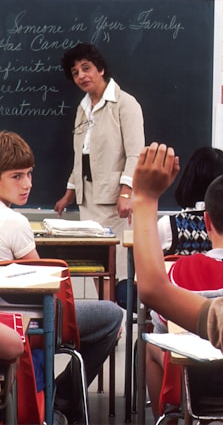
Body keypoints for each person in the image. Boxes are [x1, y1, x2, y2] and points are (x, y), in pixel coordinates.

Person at [132, 142, 223, 415]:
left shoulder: (181, 273)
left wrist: (145, 198)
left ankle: (166, 418)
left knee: (150, 344)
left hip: (189, 386)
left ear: (207, 221)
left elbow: (157, 306)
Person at [0, 130, 123, 424]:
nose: (27, 184)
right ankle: (64, 395)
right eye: (17, 176)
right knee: (113, 315)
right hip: (28, 321)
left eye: (29, 174)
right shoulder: (14, 223)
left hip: (6, 322)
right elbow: (44, 289)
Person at [54, 43, 145, 279]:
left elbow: (136, 153)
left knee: (119, 270)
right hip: (89, 201)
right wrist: (69, 192)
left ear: (101, 69)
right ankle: (107, 315)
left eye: (86, 68)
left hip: (116, 202)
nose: (81, 76)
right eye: (75, 73)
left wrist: (126, 193)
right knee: (98, 269)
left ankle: (122, 316)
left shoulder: (126, 104)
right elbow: (81, 154)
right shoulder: (83, 108)